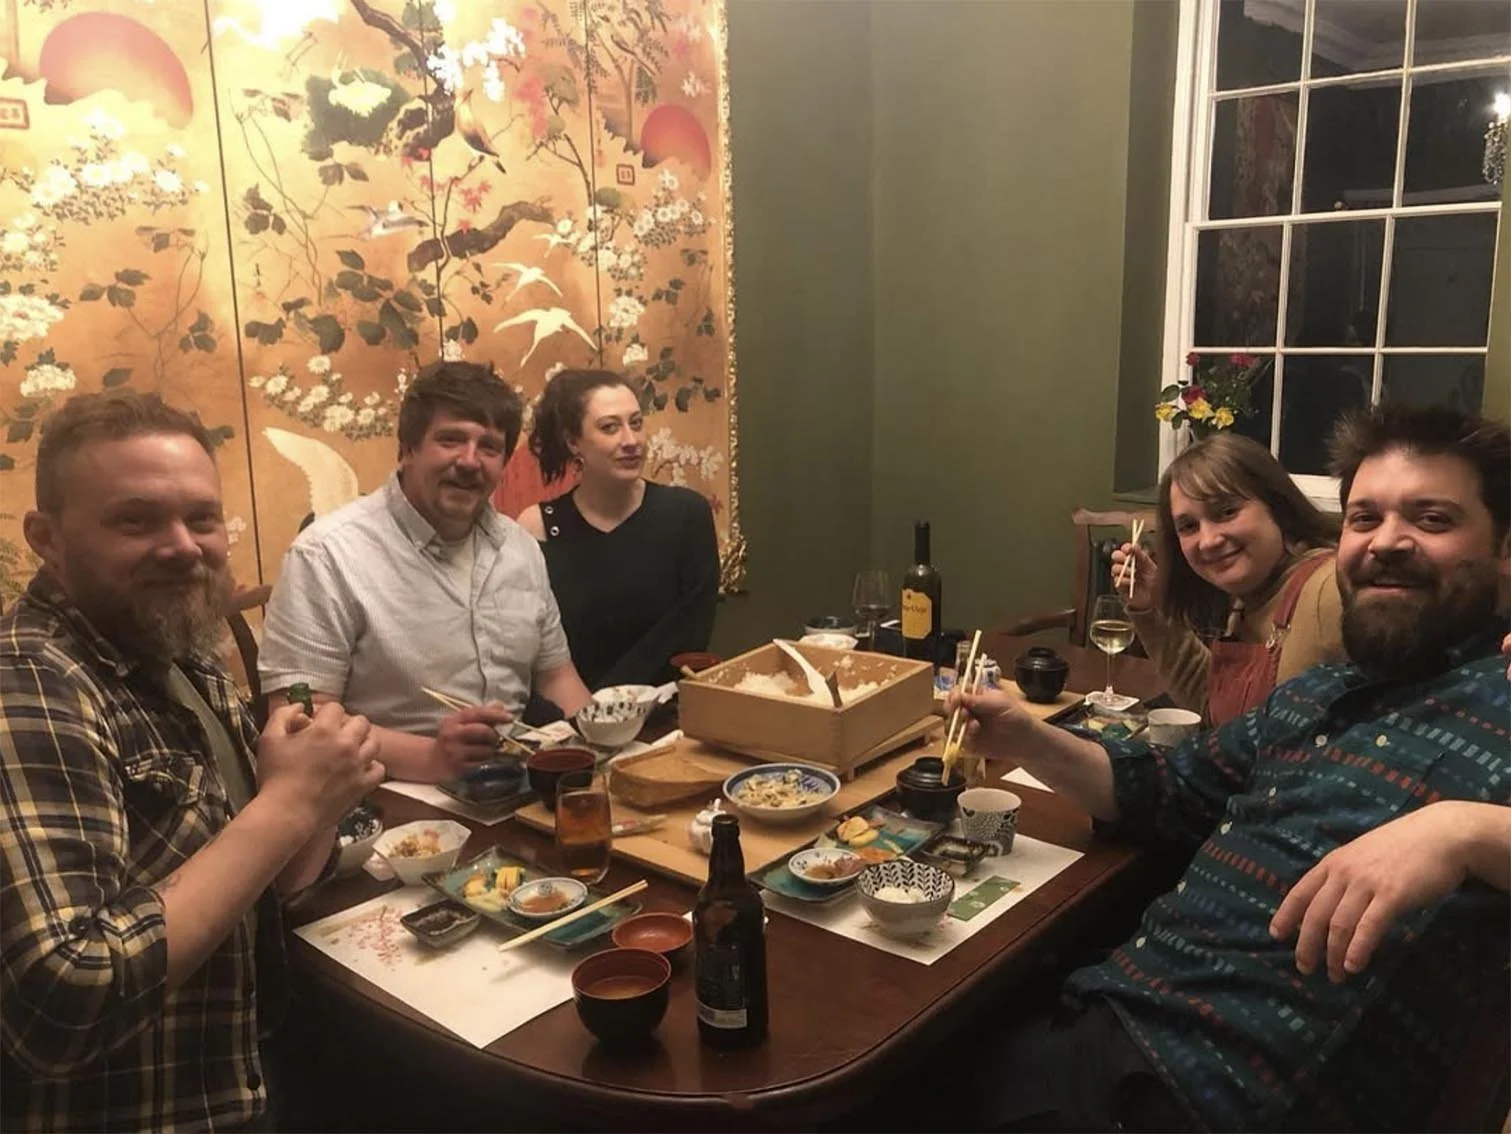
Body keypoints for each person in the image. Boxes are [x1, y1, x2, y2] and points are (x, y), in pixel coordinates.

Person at [948, 403, 1510, 1132]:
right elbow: (1164, 789)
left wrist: (1463, 832)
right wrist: (1026, 738)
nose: (1385, 542)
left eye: (1431, 519)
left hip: (1210, 1095)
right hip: (1106, 1020)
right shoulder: (1316, 692)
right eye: (1363, 518)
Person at [0, 391, 382, 1132]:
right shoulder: (30, 682)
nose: (182, 546)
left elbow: (260, 887)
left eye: (201, 518)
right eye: (135, 520)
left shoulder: (179, 648)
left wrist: (318, 800)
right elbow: (61, 1002)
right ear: (48, 538)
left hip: (241, 1068)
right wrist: (289, 806)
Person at [259, 360, 593, 784]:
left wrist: (605, 746)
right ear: (407, 450)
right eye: (450, 440)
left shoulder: (519, 547)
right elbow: (300, 721)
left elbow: (556, 675)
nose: (470, 461)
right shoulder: (326, 555)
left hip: (511, 788)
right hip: (383, 798)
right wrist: (431, 757)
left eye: (489, 447)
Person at [1112, 431, 1344, 725]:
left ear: (1278, 507)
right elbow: (1216, 709)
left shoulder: (1328, 588)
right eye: (1189, 526)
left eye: (1227, 512)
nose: (1208, 541)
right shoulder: (1248, 597)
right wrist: (1151, 608)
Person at [517, 369, 718, 689]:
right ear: (573, 441)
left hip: (668, 708)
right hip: (567, 711)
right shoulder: (537, 527)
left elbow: (689, 635)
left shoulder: (686, 514)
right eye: (610, 427)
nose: (631, 441)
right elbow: (534, 649)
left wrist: (619, 706)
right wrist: (584, 709)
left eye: (636, 423)